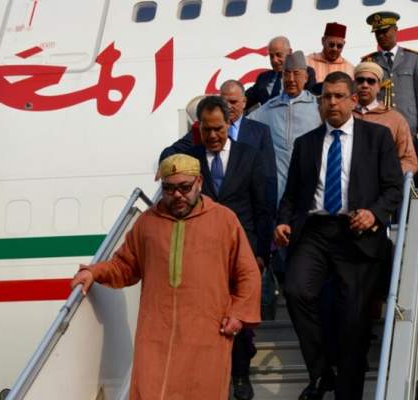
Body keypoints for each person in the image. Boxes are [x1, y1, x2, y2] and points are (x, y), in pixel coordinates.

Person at [70, 154, 262, 400]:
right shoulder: (147, 223)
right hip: (156, 335)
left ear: (199, 182)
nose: (177, 195)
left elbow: (247, 272)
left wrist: (238, 313)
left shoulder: (224, 220)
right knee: (150, 390)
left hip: (206, 333)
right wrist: (93, 272)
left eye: (184, 187)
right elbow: (125, 266)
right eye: (169, 189)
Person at [274, 71, 403, 400]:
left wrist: (373, 213)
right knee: (296, 290)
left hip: (357, 234)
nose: (331, 102)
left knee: (353, 322)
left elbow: (394, 188)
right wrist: (284, 221)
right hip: (315, 232)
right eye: (325, 97)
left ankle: (348, 393)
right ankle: (321, 372)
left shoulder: (377, 138)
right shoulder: (305, 144)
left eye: (338, 96)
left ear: (353, 100)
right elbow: (291, 196)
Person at [161, 96, 271, 400]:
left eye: (218, 129)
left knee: (240, 314)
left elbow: (263, 207)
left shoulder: (250, 156)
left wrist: (262, 253)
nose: (212, 135)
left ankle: (240, 374)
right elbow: (166, 163)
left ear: (229, 124)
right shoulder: (190, 158)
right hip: (203, 253)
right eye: (206, 129)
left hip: (243, 249)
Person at [160, 81, 277, 215]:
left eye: (233, 102)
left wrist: (271, 216)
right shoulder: (201, 132)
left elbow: (269, 177)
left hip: (242, 219)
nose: (213, 135)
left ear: (244, 102)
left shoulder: (260, 132)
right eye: (224, 101)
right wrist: (168, 167)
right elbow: (172, 151)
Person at [248, 51, 321, 204]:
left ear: (306, 78)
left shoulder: (318, 107)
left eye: (296, 74)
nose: (291, 79)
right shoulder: (269, 108)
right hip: (278, 192)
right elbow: (244, 127)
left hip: (312, 191)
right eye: (287, 74)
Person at [362, 12, 418, 138]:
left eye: (385, 31)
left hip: (408, 123)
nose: (381, 36)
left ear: (395, 29)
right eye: (377, 33)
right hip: (379, 125)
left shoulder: (412, 57)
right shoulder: (369, 61)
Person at [352, 61, 418, 174]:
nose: (365, 85)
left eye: (371, 81)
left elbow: (409, 160)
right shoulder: (345, 114)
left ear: (379, 86)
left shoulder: (395, 119)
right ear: (354, 84)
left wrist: (387, 174)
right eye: (360, 80)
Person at [245, 36, 318, 110]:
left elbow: (312, 101)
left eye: (278, 55)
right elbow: (244, 100)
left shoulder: (305, 72)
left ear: (290, 52)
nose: (274, 60)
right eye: (271, 56)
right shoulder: (263, 78)